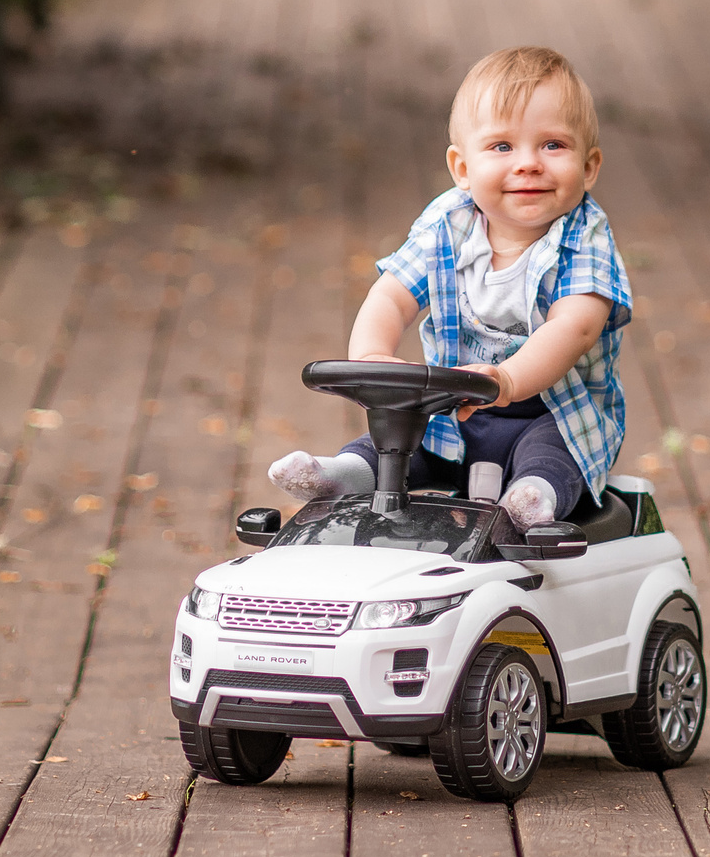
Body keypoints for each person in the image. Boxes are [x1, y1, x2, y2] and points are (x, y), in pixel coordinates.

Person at [269, 45, 632, 530]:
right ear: (462, 169)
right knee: (400, 437)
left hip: (553, 410)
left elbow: (575, 328)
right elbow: (392, 294)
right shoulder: (447, 223)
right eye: (502, 147)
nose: (528, 163)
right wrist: (372, 355)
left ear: (589, 167)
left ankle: (531, 498)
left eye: (552, 145)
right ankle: (346, 475)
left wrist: (506, 381)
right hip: (454, 406)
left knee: (551, 456)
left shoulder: (585, 237)